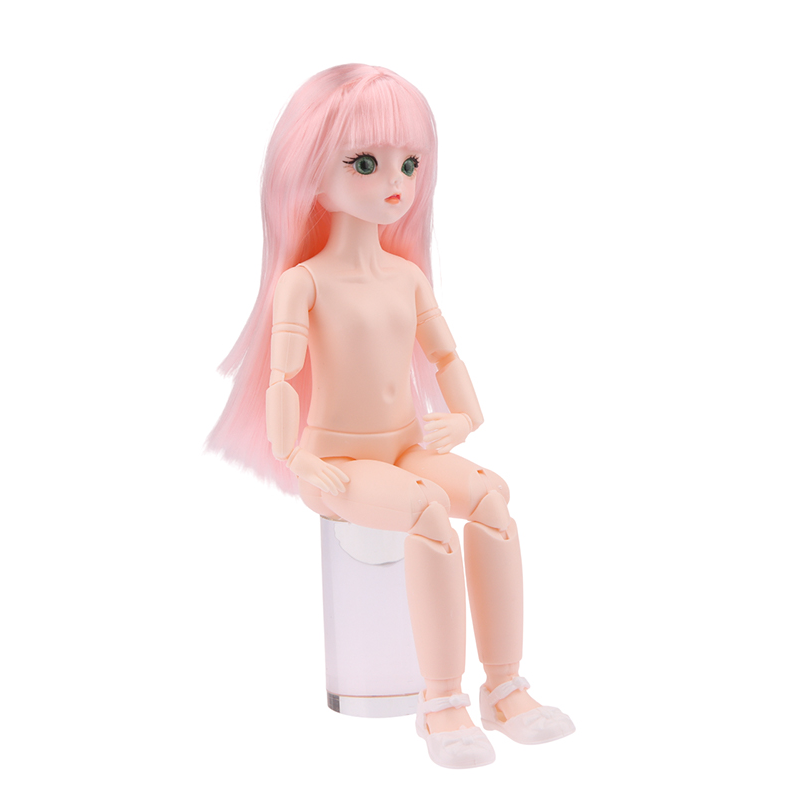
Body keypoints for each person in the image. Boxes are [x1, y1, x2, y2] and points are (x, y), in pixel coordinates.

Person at [208, 64, 574, 768]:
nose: (396, 181)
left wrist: (465, 417)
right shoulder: (303, 283)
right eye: (366, 163)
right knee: (428, 509)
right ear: (311, 176)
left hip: (405, 445)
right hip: (336, 459)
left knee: (492, 497)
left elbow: (446, 356)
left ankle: (505, 688)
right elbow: (281, 377)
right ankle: (442, 705)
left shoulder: (406, 276)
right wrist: (294, 455)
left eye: (409, 163)